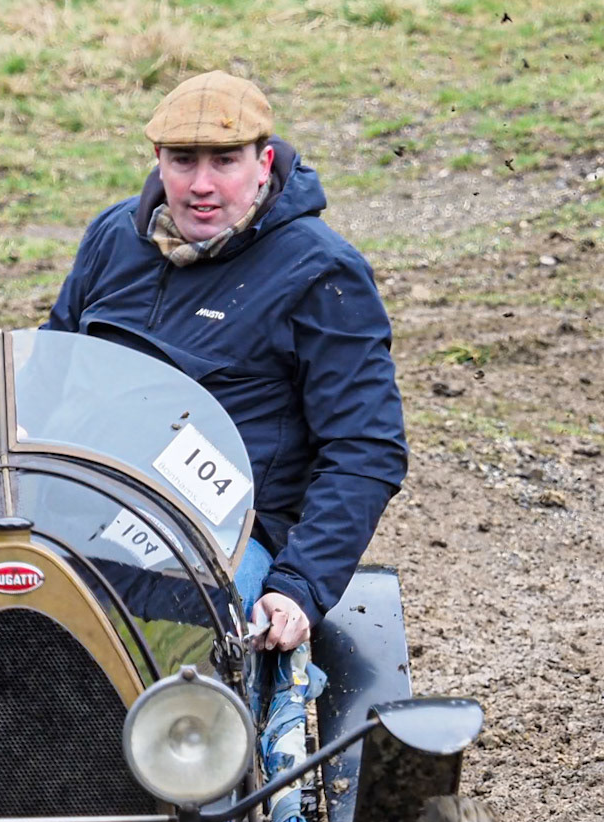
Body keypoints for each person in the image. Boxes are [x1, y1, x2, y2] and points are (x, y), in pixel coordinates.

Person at [46, 70, 408, 652]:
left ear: (264, 164)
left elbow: (365, 447)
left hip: (223, 538)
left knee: (176, 637)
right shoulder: (113, 237)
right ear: (158, 161)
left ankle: (248, 707)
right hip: (82, 504)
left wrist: (299, 586)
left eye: (224, 161)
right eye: (183, 161)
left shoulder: (321, 271)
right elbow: (48, 370)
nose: (201, 185)